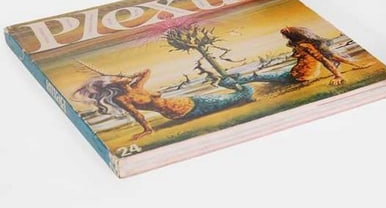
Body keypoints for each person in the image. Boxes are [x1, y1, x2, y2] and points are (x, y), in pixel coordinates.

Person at [74, 69, 253, 141]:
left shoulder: (137, 86)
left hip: (192, 100)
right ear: (113, 85)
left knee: (235, 97)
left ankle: (232, 84)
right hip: (185, 111)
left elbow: (146, 71)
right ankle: (236, 84)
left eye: (119, 76)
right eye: (117, 78)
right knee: (242, 95)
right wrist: (147, 129)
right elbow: (137, 114)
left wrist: (131, 75)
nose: (121, 77)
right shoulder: (122, 99)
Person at [247, 27, 354, 86]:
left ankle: (249, 78)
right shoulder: (310, 44)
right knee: (275, 74)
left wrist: (338, 75)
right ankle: (253, 77)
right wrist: (352, 63)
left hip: (298, 77)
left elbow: (324, 60)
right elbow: (331, 56)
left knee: (266, 76)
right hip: (307, 74)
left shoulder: (303, 46)